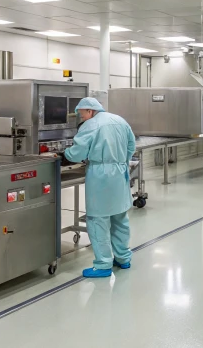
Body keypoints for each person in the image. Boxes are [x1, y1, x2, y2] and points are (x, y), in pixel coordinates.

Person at [64, 97, 136, 278]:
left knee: (98, 220)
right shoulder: (119, 120)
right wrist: (121, 161)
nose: (83, 119)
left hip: (100, 175)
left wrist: (65, 154)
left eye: (82, 115)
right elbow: (131, 145)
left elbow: (77, 152)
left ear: (90, 111)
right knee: (120, 217)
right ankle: (123, 257)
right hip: (120, 172)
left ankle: (103, 264)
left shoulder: (91, 125)